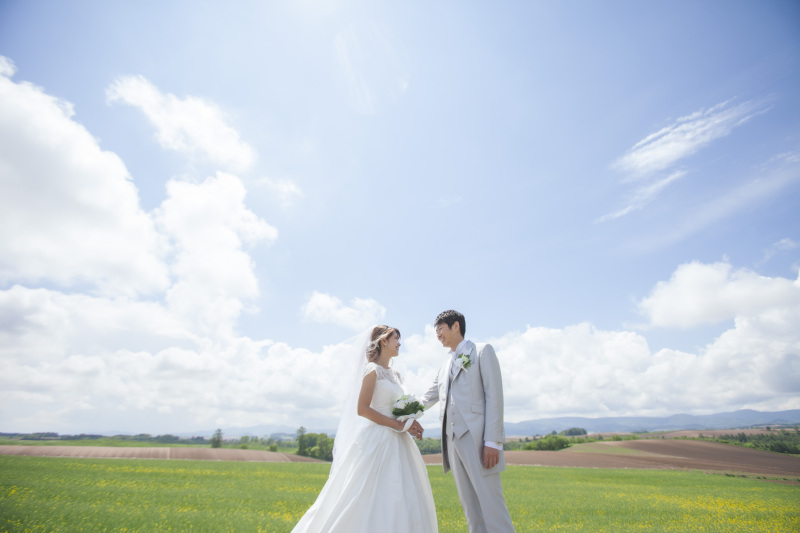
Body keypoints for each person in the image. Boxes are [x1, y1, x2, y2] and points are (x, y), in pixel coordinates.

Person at [291, 325, 438, 533]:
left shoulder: (395, 374)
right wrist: (397, 424)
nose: (400, 343)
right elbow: (362, 409)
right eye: (396, 339)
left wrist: (409, 421)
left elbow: (396, 407)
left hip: (400, 442)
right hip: (377, 440)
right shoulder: (372, 370)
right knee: (364, 493)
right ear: (384, 341)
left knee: (402, 495)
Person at [422, 310, 515, 533]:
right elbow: (428, 398)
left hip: (479, 441)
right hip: (453, 443)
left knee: (492, 504)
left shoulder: (483, 351)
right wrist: (400, 413)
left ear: (456, 326)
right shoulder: (444, 365)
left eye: (440, 329)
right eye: (436, 331)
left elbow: (494, 396)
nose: (437, 335)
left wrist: (493, 442)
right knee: (470, 508)